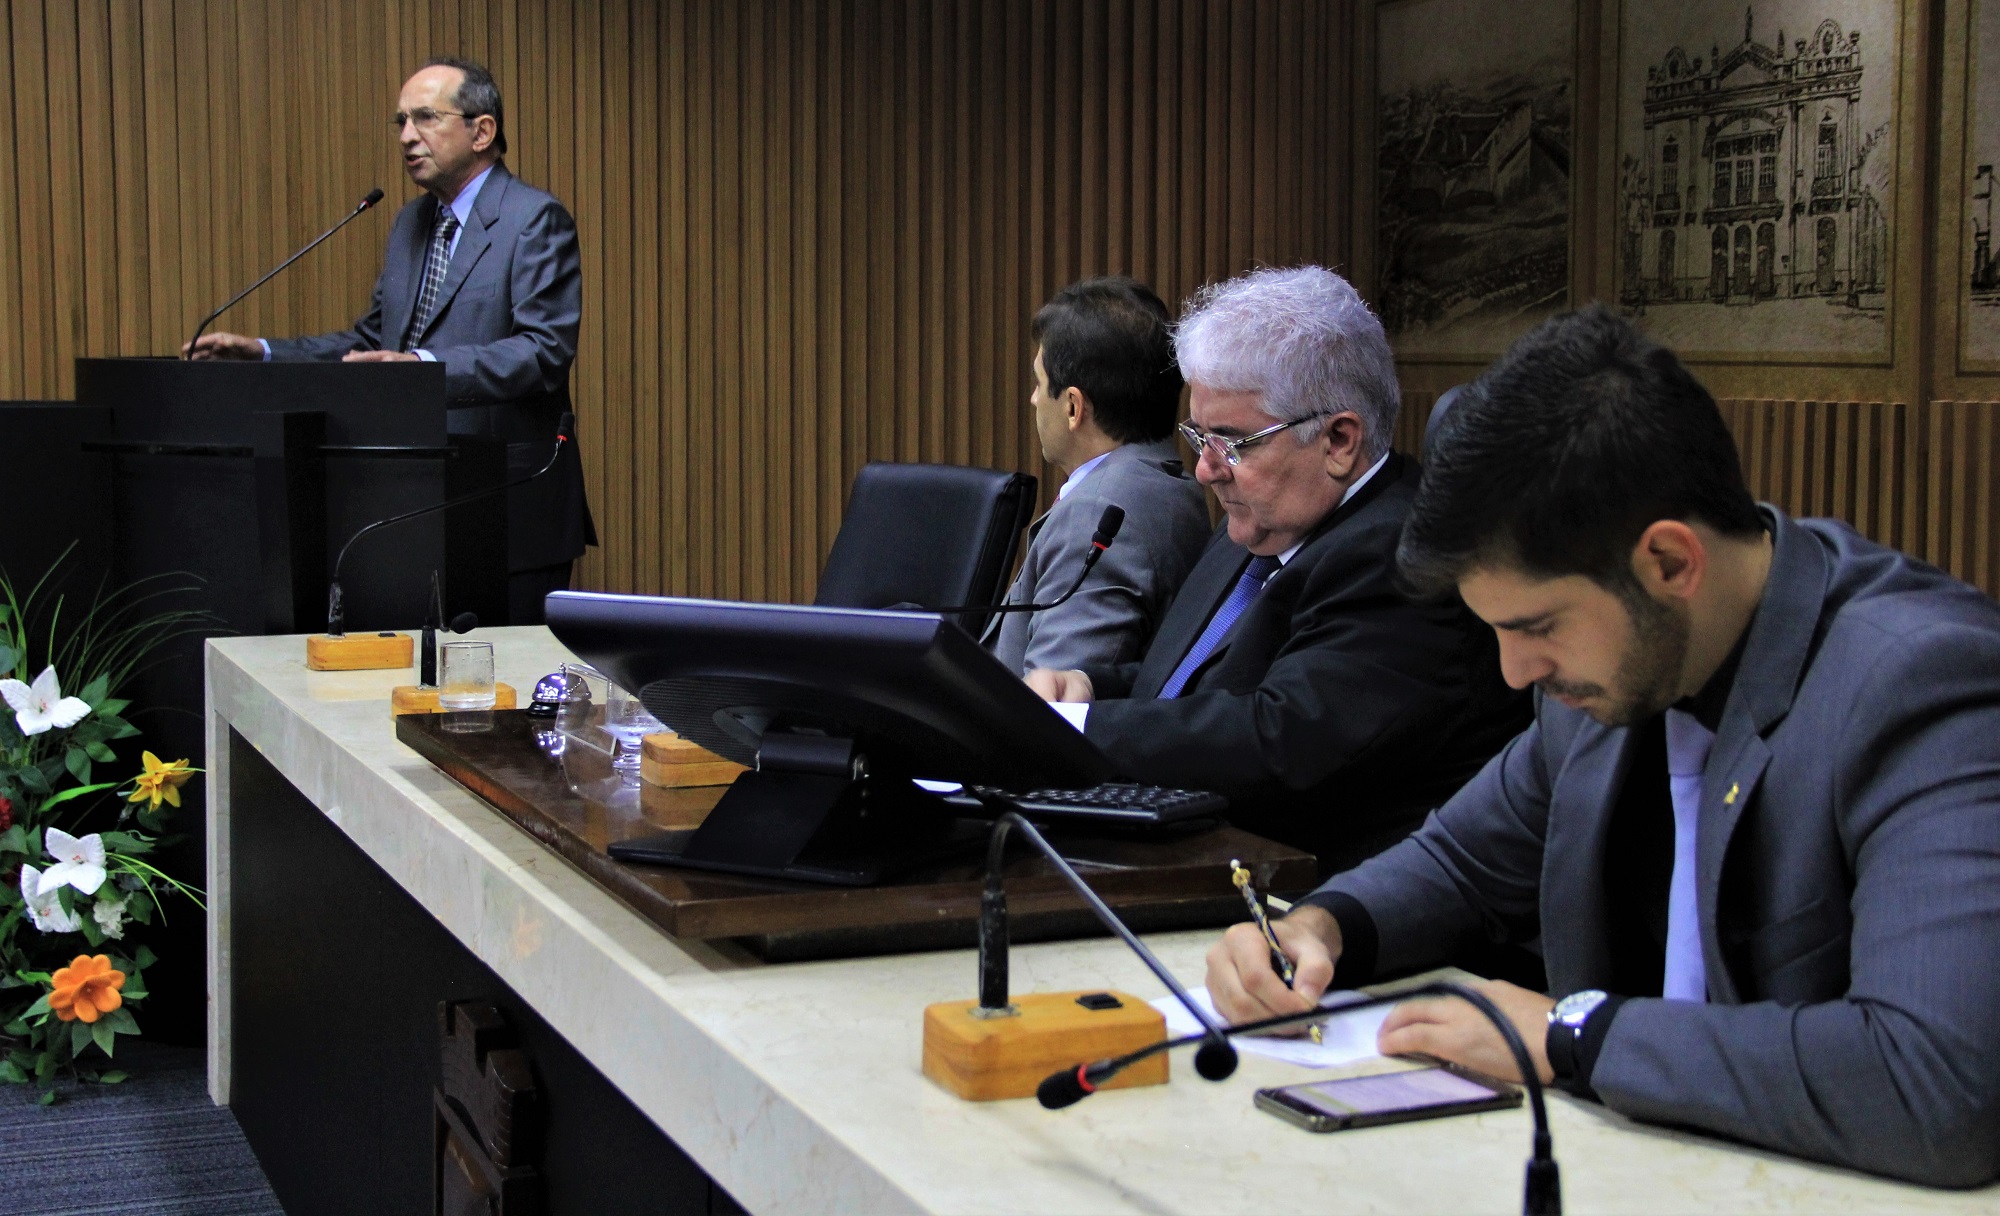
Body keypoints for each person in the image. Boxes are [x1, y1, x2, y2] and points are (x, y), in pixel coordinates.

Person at [1205, 305, 2000, 1187]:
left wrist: (1575, 1033)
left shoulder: (1921, 684)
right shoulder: (1610, 670)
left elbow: (1939, 1082)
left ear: (1670, 563)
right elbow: (1461, 861)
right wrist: (1319, 929)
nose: (1514, 672)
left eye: (1537, 626)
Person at [1026, 267, 1526, 873]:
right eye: (1199, 437)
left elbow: (1278, 736)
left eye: (1232, 443)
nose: (1205, 469)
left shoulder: (1400, 558)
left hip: (1304, 895)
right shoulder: (1262, 519)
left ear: (1339, 440)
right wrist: (1088, 687)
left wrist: (1076, 728)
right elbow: (1191, 683)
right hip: (1186, 859)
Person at [185, 57, 592, 624]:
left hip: (507, 504)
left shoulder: (534, 219)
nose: (406, 136)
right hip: (414, 501)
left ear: (482, 131)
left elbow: (543, 351)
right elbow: (372, 345)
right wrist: (264, 351)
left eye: (425, 117)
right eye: (401, 121)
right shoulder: (409, 224)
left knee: (501, 674)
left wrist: (421, 367)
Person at [983, 277, 1211, 675]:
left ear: (1074, 407)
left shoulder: (1096, 514)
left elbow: (1052, 696)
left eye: (1039, 383)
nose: (1034, 399)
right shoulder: (1174, 486)